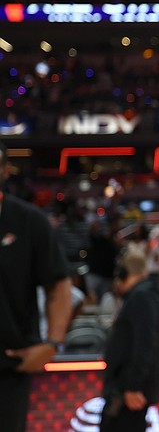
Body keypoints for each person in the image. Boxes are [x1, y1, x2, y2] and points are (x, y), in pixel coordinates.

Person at [0, 140, 73, 432]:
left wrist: (52, 344)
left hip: (8, 366)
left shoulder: (29, 221)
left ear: (5, 170)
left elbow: (58, 284)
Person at [99, 252, 159, 432]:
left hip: (129, 392)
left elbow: (146, 344)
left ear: (122, 274)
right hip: (128, 389)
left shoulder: (142, 297)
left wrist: (133, 386)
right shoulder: (144, 295)